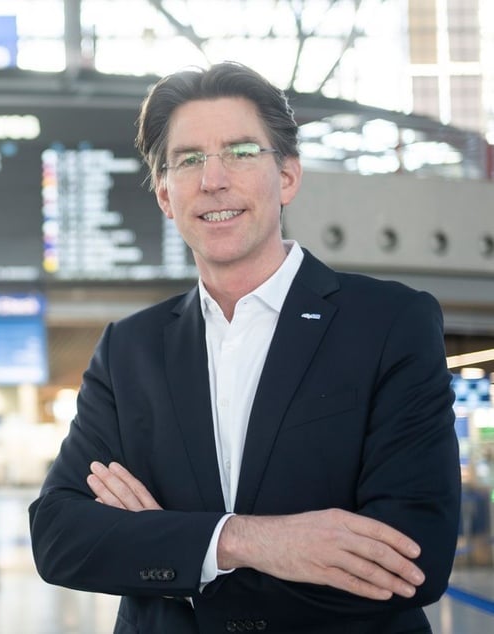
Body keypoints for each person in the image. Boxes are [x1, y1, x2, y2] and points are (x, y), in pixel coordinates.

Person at [28, 61, 461, 633]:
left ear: (287, 176)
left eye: (240, 152)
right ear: (165, 194)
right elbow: (59, 536)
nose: (213, 179)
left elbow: (411, 560)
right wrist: (243, 541)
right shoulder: (129, 350)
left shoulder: (388, 324)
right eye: (188, 160)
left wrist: (172, 556)